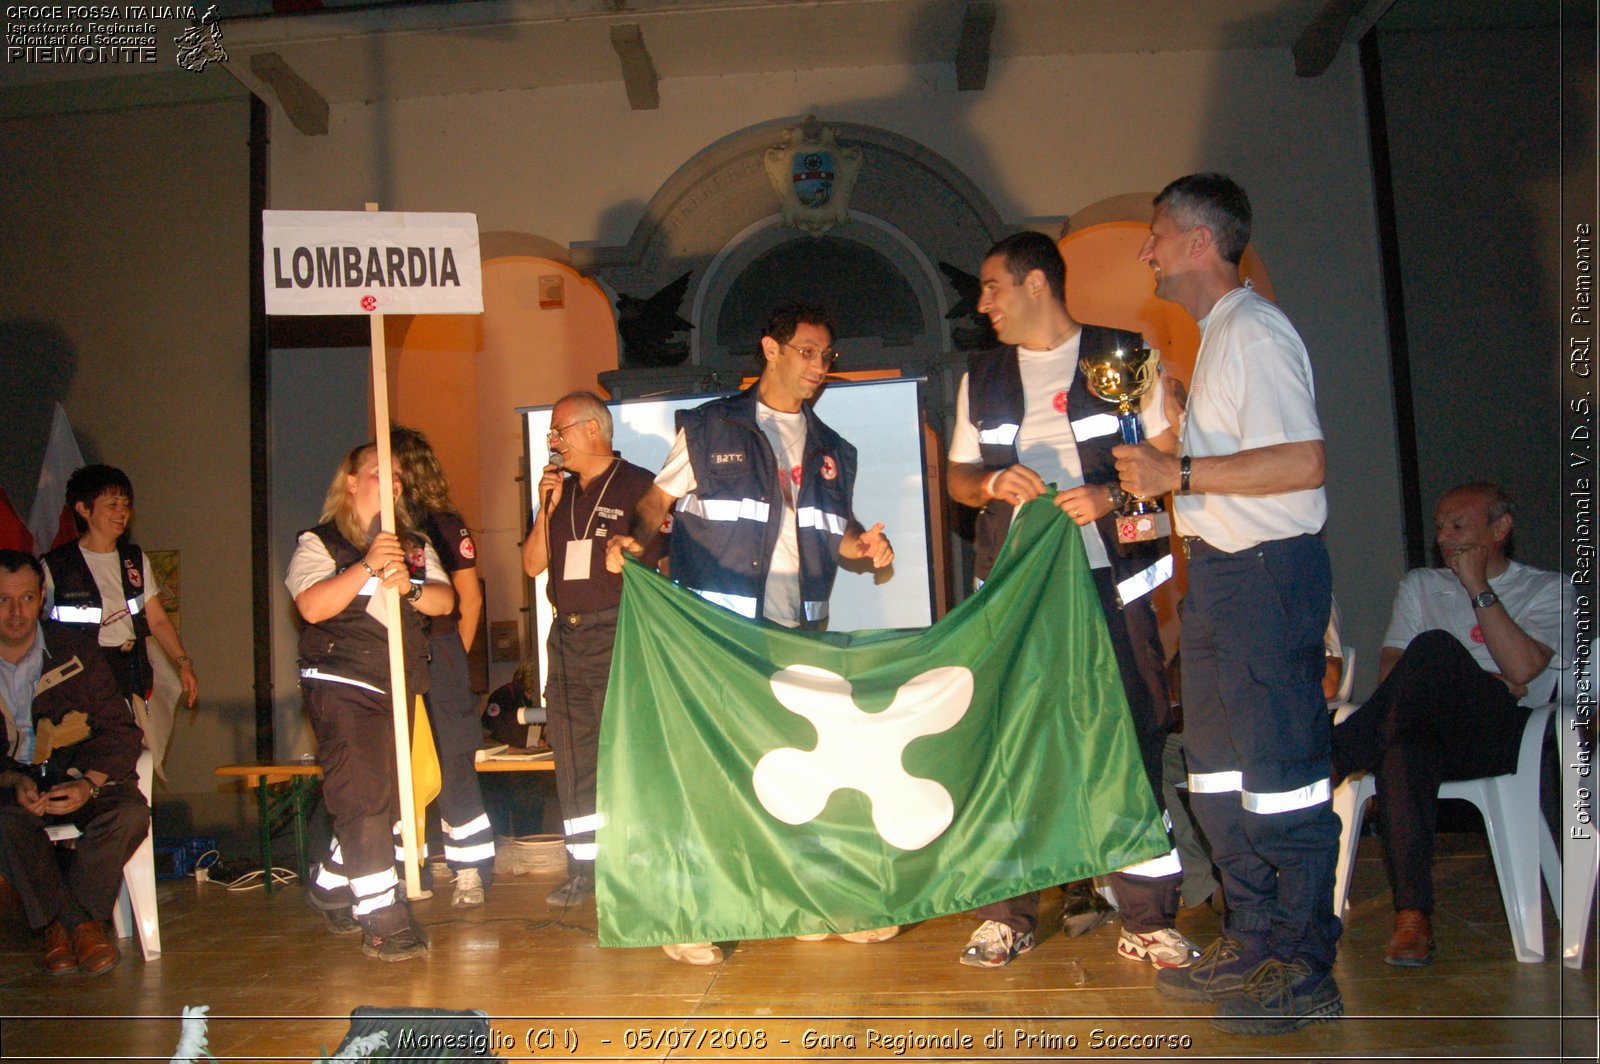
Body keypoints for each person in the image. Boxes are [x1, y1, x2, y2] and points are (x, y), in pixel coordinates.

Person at [1113, 173, 1340, 1035]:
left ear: (1201, 241)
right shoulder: (1216, 341)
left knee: (1280, 778)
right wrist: (1162, 427)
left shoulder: (1255, 330)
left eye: (1158, 234)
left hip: (1265, 574)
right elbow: (1203, 461)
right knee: (1214, 775)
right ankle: (1252, 941)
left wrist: (1180, 473)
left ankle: (1306, 963)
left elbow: (1303, 463)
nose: (1148, 250)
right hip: (1214, 575)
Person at [607, 302, 895, 965]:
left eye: (828, 357)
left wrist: (867, 549)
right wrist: (633, 538)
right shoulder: (712, 428)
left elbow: (839, 532)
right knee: (715, 767)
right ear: (771, 348)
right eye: (807, 352)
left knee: (806, 762)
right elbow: (657, 501)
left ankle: (813, 901)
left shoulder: (832, 451)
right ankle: (692, 912)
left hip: (803, 632)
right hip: (723, 634)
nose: (819, 367)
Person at [945, 231, 1196, 971]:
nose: (983, 302)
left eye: (992, 286)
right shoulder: (982, 377)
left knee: (1130, 740)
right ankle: (1006, 915)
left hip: (1111, 587)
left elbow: (1170, 463)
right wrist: (991, 485)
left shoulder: (1123, 353)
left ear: (1034, 284)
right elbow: (959, 479)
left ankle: (1145, 917)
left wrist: (1111, 496)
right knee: (1010, 744)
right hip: (1019, 593)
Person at [1332, 483, 1561, 965]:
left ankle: (1333, 756)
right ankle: (1412, 916)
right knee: (1403, 749)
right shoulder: (1420, 585)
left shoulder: (1549, 589)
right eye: (1439, 527)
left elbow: (1521, 671)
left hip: (1502, 733)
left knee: (1435, 646)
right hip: (1430, 728)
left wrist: (1478, 587)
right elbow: (1394, 676)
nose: (1444, 537)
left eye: (1458, 526)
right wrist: (1479, 675)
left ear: (1500, 529)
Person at [286, 443, 454, 962]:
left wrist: (410, 588)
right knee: (361, 796)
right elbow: (312, 606)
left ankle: (332, 885)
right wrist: (365, 566)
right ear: (352, 482)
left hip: (398, 681)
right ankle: (382, 918)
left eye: (400, 476)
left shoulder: (415, 544)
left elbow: (446, 602)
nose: (395, 482)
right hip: (340, 681)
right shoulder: (319, 542)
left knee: (389, 799)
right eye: (383, 472)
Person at [521, 391, 665, 908]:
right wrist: (545, 507)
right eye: (551, 434)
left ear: (592, 430)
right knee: (573, 756)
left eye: (559, 430)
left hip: (617, 633)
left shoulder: (640, 485)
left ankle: (637, 866)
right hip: (566, 637)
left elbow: (663, 559)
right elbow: (533, 565)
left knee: (623, 754)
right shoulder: (558, 493)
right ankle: (584, 869)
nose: (554, 442)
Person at [0, 549, 148, 976]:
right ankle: (79, 926)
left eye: (26, 599)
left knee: (129, 813)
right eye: (4, 600)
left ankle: (57, 929)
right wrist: (13, 780)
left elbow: (122, 732)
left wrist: (89, 782)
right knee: (6, 821)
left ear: (41, 596)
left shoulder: (75, 652)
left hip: (77, 772)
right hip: (12, 784)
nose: (15, 614)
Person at [391, 427, 494, 908]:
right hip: (390, 661)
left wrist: (451, 656)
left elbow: (468, 600)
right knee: (398, 767)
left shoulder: (443, 524)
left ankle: (469, 868)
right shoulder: (374, 528)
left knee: (454, 763)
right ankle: (406, 869)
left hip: (440, 655)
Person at [41, 464, 198, 710]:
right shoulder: (57, 565)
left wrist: (183, 662)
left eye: (126, 505)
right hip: (81, 675)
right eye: (112, 505)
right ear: (84, 508)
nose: (122, 512)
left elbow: (157, 621)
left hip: (129, 670)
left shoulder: (133, 559)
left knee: (136, 743)